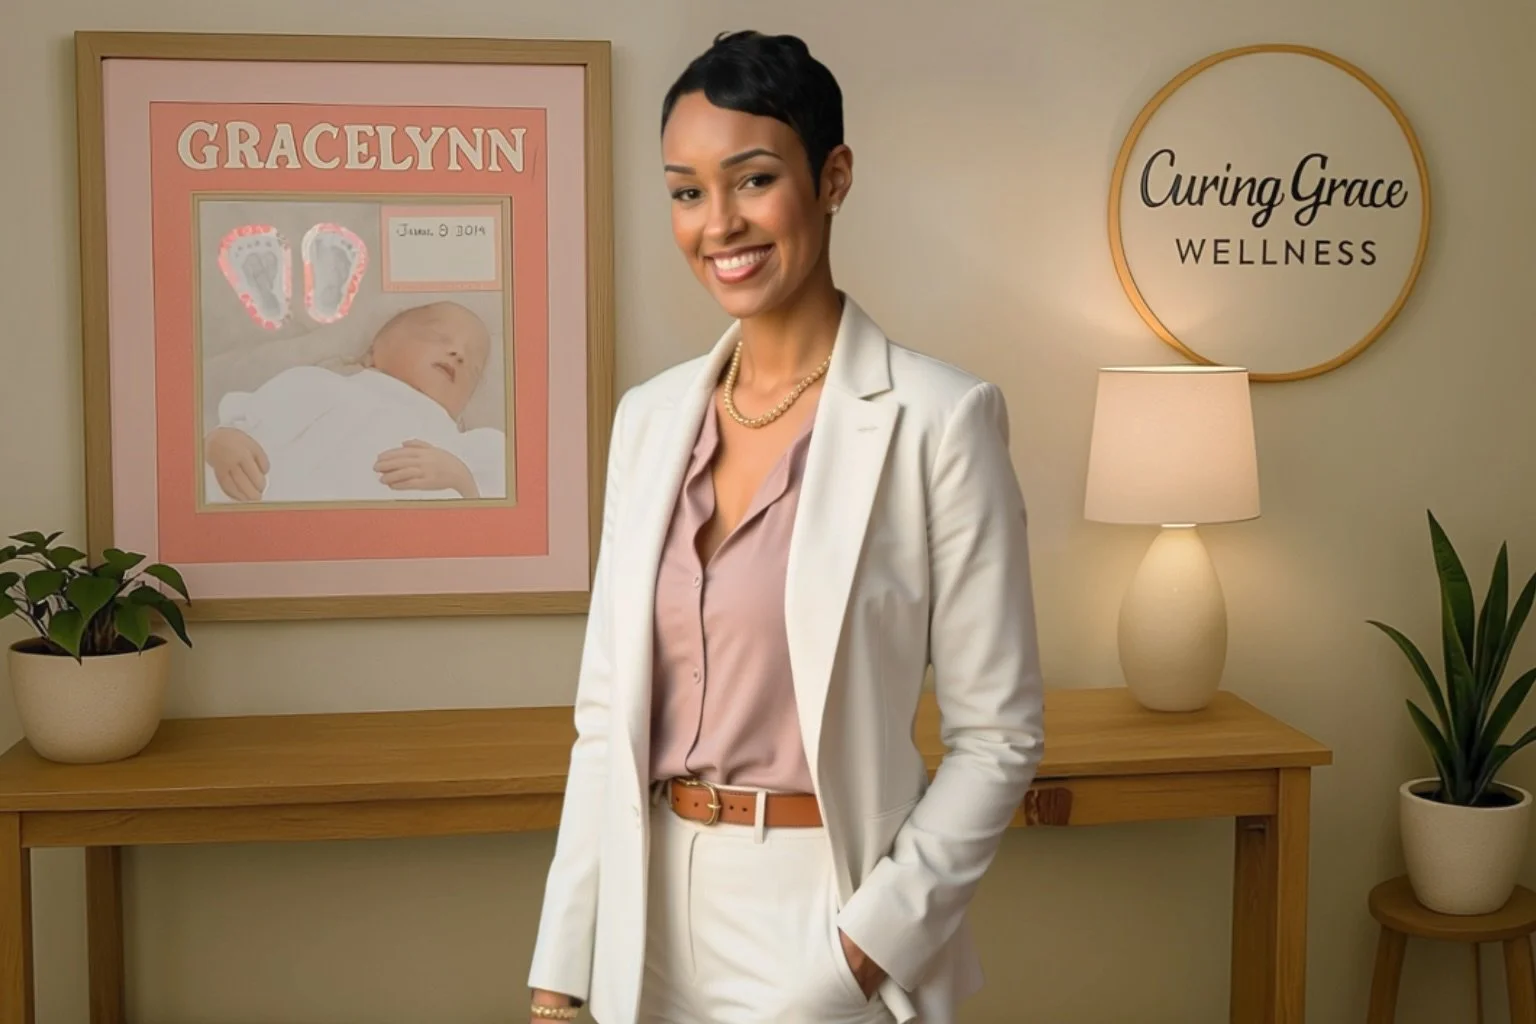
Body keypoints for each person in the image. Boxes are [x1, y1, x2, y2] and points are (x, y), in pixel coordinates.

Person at [526, 30, 1044, 1024]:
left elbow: (999, 737)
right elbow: (604, 722)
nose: (718, 223)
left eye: (753, 179)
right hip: (646, 919)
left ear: (833, 176)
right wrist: (561, 973)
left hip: (828, 914)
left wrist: (855, 957)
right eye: (686, 191)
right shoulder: (649, 418)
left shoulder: (941, 420)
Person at [202, 299, 505, 503]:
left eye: (473, 366)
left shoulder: (464, 446)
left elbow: (498, 518)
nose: (459, 355)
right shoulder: (322, 386)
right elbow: (250, 426)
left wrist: (460, 478)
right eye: (438, 336)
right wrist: (222, 441)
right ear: (373, 351)